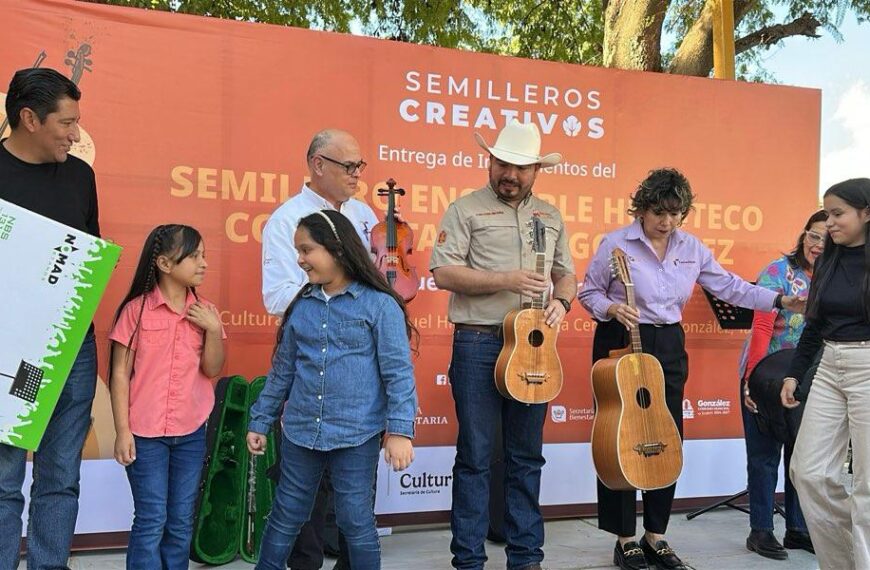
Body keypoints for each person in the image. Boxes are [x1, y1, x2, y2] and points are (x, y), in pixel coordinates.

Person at [578, 167, 806, 570]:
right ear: (642, 208)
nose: (666, 222)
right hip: (620, 337)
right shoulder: (615, 243)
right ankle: (625, 538)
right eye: (659, 212)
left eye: (675, 213)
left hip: (668, 341)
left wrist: (779, 301)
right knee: (619, 436)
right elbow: (589, 292)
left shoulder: (692, 247)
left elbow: (731, 286)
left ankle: (656, 535)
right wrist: (611, 308)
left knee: (666, 436)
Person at [431, 119, 578, 570]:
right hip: (478, 343)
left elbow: (565, 274)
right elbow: (444, 272)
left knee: (526, 457)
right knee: (475, 457)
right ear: (490, 161)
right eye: (502, 164)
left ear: (537, 170)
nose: (509, 175)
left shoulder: (551, 215)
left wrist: (563, 302)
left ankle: (526, 559)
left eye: (520, 167)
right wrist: (506, 280)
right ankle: (468, 561)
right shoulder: (464, 209)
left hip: (534, 344)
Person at [247, 210, 418, 570]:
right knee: (286, 514)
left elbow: (399, 374)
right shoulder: (301, 306)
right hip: (300, 433)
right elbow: (282, 372)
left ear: (337, 249)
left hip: (357, 434)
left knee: (356, 521)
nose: (300, 259)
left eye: (307, 250)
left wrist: (400, 431)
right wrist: (260, 420)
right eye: (298, 250)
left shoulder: (380, 305)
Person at [261, 129, 379, 570]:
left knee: (356, 490)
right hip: (311, 364)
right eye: (349, 166)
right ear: (318, 164)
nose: (357, 174)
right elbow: (277, 297)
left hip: (361, 367)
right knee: (301, 489)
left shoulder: (365, 215)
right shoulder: (286, 220)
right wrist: (337, 295)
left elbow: (377, 286)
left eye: (359, 165)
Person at [0, 67, 101, 569]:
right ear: (29, 118)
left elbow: (89, 246)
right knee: (3, 478)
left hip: (71, 347)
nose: (75, 134)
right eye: (66, 122)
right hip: (9, 352)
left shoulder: (81, 176)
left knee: (60, 477)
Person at [108, 224, 226, 569]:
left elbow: (212, 368)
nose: (203, 263)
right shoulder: (136, 311)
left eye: (204, 255)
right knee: (151, 519)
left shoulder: (206, 312)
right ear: (164, 263)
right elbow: (119, 374)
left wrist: (213, 329)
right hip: (145, 435)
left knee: (180, 520)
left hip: (190, 432)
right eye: (194, 256)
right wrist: (122, 431)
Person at [782, 178, 870, 569]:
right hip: (830, 366)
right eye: (827, 213)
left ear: (866, 213)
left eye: (837, 214)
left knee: (867, 488)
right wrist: (794, 373)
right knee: (808, 473)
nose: (828, 223)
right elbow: (814, 324)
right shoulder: (828, 260)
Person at [739, 211, 826, 560]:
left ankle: (798, 529)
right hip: (765, 375)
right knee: (764, 455)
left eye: (827, 239)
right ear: (804, 235)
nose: (818, 245)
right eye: (814, 236)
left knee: (800, 455)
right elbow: (762, 326)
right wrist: (750, 380)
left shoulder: (835, 278)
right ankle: (760, 530)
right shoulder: (778, 272)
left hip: (808, 378)